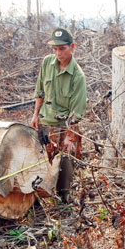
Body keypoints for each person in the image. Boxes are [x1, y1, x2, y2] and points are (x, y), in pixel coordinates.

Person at [30, 28, 87, 201]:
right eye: (55, 49)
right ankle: (39, 196)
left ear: (72, 47)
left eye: (62, 48)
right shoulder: (47, 63)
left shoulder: (77, 76)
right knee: (41, 160)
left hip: (66, 125)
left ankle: (64, 198)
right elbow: (40, 91)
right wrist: (35, 115)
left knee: (66, 161)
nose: (58, 53)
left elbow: (77, 111)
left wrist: (69, 136)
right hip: (46, 122)